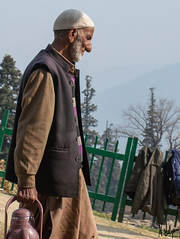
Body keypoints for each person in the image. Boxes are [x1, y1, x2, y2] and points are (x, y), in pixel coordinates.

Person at [5, 9, 98, 239]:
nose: (89, 47)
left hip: (71, 181)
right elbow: (32, 131)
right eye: (87, 38)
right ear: (72, 34)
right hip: (53, 186)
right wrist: (26, 179)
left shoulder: (63, 69)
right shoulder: (46, 71)